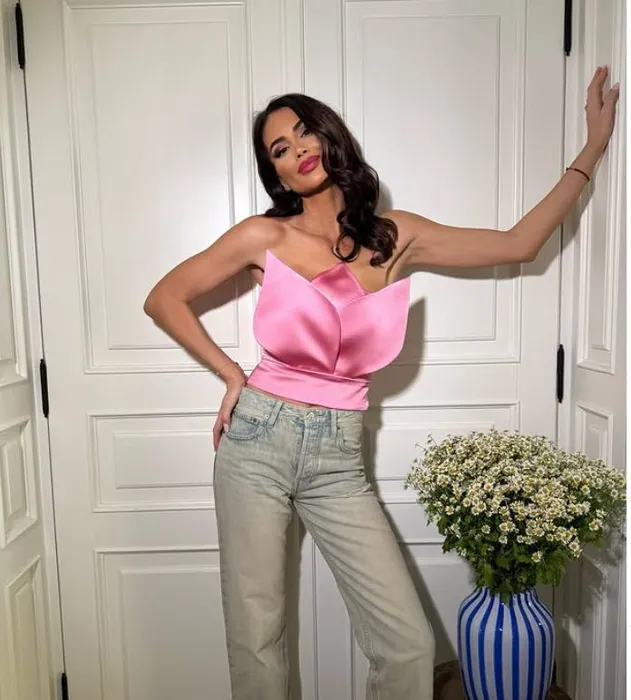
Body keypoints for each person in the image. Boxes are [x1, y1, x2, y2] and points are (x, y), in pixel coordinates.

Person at [143, 66, 619, 700]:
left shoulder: (394, 236)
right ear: (276, 174)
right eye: (279, 148)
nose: (297, 149)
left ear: (330, 136)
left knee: (407, 644)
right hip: (256, 441)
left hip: (337, 456)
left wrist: (593, 147)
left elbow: (521, 244)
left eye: (304, 131)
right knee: (257, 638)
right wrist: (231, 374)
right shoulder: (263, 236)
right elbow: (165, 298)